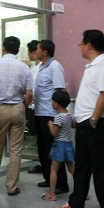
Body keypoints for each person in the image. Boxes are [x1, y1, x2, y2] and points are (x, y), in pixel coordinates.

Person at [54, 30, 104, 208]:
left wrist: (94, 118)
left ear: (89, 45)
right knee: (81, 165)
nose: (80, 47)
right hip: (85, 123)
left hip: (96, 123)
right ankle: (76, 203)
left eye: (81, 44)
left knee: (99, 167)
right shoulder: (91, 66)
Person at [0, 36, 33, 196]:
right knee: (16, 150)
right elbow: (29, 94)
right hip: (18, 108)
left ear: (3, 48)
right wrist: (23, 107)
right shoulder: (24, 67)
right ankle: (12, 186)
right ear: (18, 50)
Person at [33, 40, 68, 192]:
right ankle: (49, 179)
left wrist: (58, 113)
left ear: (45, 52)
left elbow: (60, 91)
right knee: (43, 149)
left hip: (50, 114)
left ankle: (61, 184)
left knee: (54, 150)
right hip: (40, 112)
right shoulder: (41, 67)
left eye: (37, 49)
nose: (35, 51)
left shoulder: (55, 66)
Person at [41, 90, 75, 202]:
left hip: (59, 145)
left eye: (52, 101)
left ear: (57, 104)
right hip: (69, 145)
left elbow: (54, 133)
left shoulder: (58, 117)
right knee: (72, 169)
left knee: (54, 170)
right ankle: (80, 190)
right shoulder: (69, 115)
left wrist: (51, 125)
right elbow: (74, 125)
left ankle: (51, 194)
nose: (52, 103)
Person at [26, 40, 42, 173]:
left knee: (40, 137)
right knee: (36, 135)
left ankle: (44, 163)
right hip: (32, 107)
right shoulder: (33, 67)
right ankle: (41, 162)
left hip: (39, 107)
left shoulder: (42, 68)